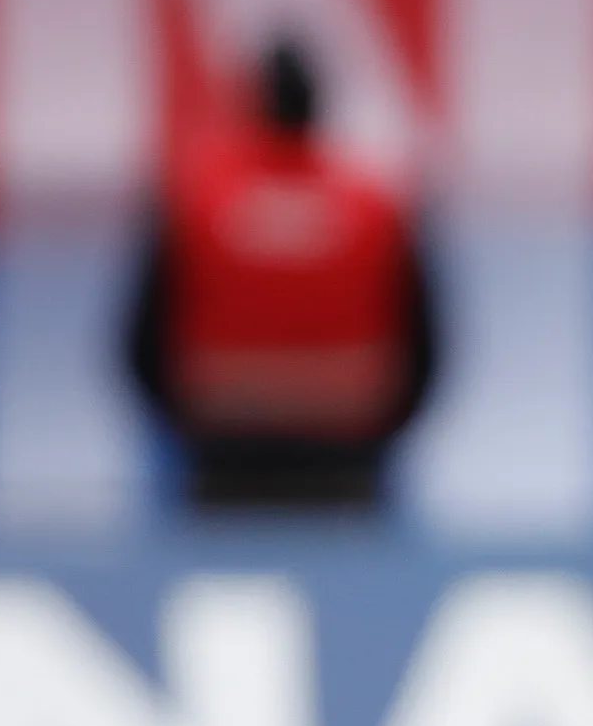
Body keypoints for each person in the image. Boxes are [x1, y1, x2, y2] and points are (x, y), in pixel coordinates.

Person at [123, 37, 438, 512]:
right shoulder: (374, 203)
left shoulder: (197, 197)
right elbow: (426, 339)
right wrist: (382, 432)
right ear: (318, 104)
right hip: (346, 455)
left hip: (224, 451)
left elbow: (142, 336)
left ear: (255, 102)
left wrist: (186, 425)